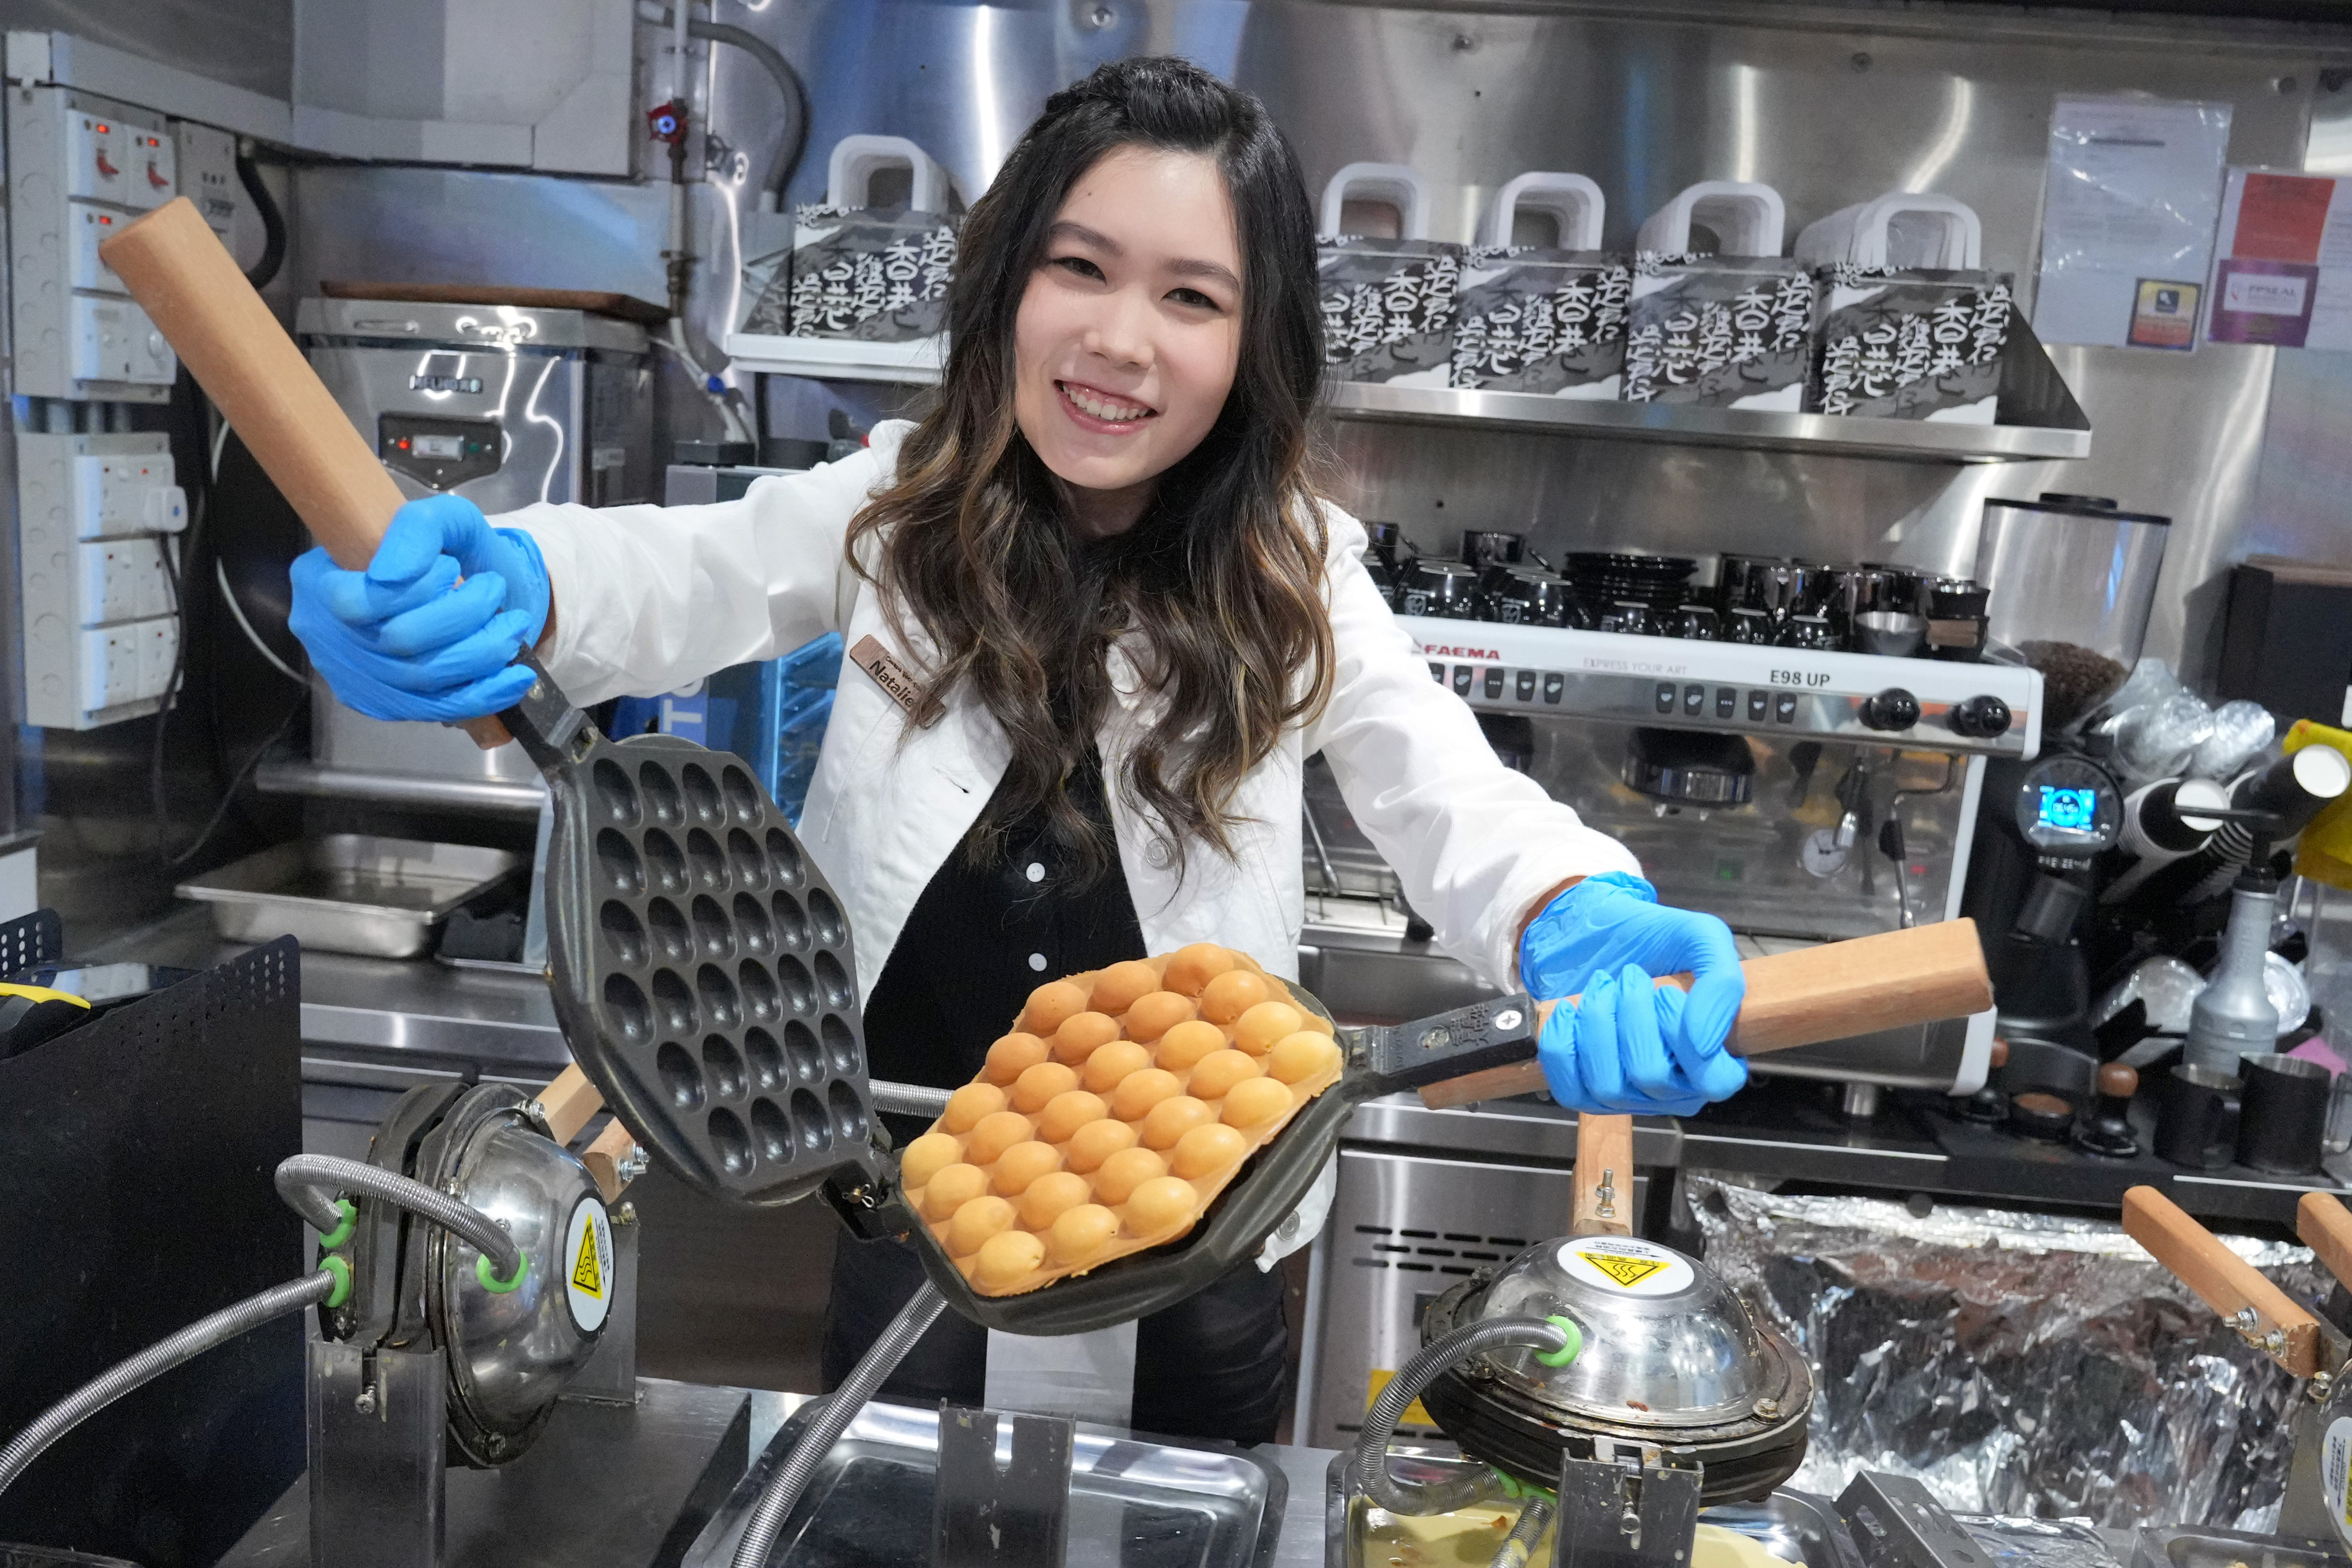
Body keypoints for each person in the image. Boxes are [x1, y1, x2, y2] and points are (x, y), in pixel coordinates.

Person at [286, 57, 1748, 1445]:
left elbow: (1441, 785)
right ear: (1006, 285)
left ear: (1251, 347)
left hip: (1201, 1238)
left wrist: (1569, 913)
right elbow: (686, 571)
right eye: (1080, 268)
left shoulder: (1293, 568)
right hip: (918, 1215)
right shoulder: (901, 508)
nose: (1119, 339)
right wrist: (518, 580)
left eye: (1190, 295)